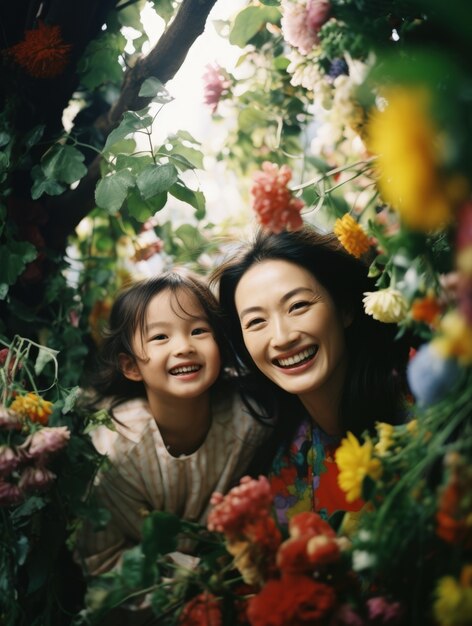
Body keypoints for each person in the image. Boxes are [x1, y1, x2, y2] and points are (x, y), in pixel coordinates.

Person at [210, 225, 411, 527]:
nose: (281, 337)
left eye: (298, 306)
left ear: (344, 308)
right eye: (255, 322)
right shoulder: (286, 462)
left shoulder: (424, 399)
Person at [76, 270, 269, 576]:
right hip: (140, 588)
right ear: (130, 366)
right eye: (160, 337)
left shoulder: (250, 417)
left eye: (198, 331)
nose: (183, 347)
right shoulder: (117, 449)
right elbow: (101, 559)